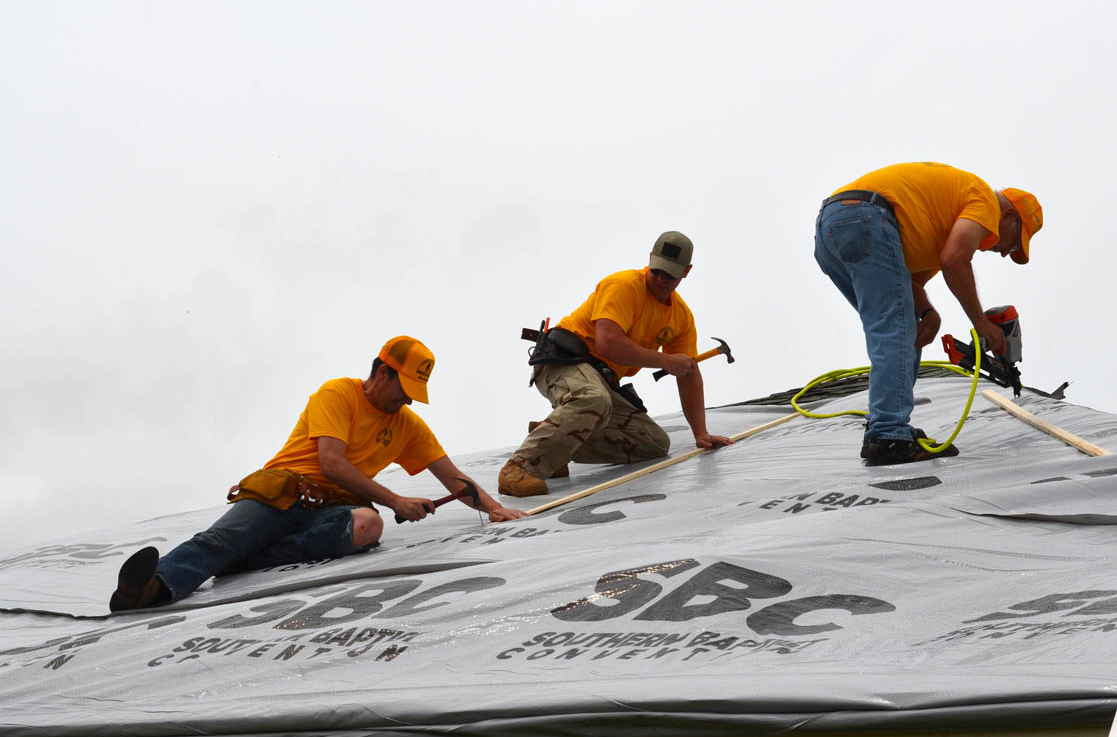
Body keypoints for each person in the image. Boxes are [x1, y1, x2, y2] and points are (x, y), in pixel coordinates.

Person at [109, 336, 526, 611]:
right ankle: (148, 590)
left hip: (335, 509)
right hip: (284, 493)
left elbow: (453, 477)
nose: (407, 402)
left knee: (367, 526)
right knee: (219, 541)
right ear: (383, 372)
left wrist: (492, 508)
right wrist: (397, 500)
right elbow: (332, 463)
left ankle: (248, 559)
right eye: (404, 390)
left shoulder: (407, 425)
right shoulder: (337, 394)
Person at [814, 162, 1043, 466]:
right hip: (866, 217)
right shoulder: (986, 201)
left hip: (833, 228)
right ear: (1010, 216)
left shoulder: (939, 225)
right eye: (1014, 242)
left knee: (899, 327)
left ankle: (882, 426)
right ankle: (888, 434)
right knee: (897, 329)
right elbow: (955, 260)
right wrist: (981, 324)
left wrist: (928, 312)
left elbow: (910, 282)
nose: (1004, 252)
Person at [497, 231, 733, 497]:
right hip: (564, 362)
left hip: (601, 380)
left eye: (671, 275)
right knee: (593, 399)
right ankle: (519, 468)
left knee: (653, 444)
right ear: (650, 259)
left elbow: (688, 372)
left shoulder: (680, 317)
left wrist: (701, 433)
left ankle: (552, 441)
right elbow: (609, 342)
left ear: (686, 272)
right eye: (657, 271)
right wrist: (666, 361)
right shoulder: (623, 285)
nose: (661, 280)